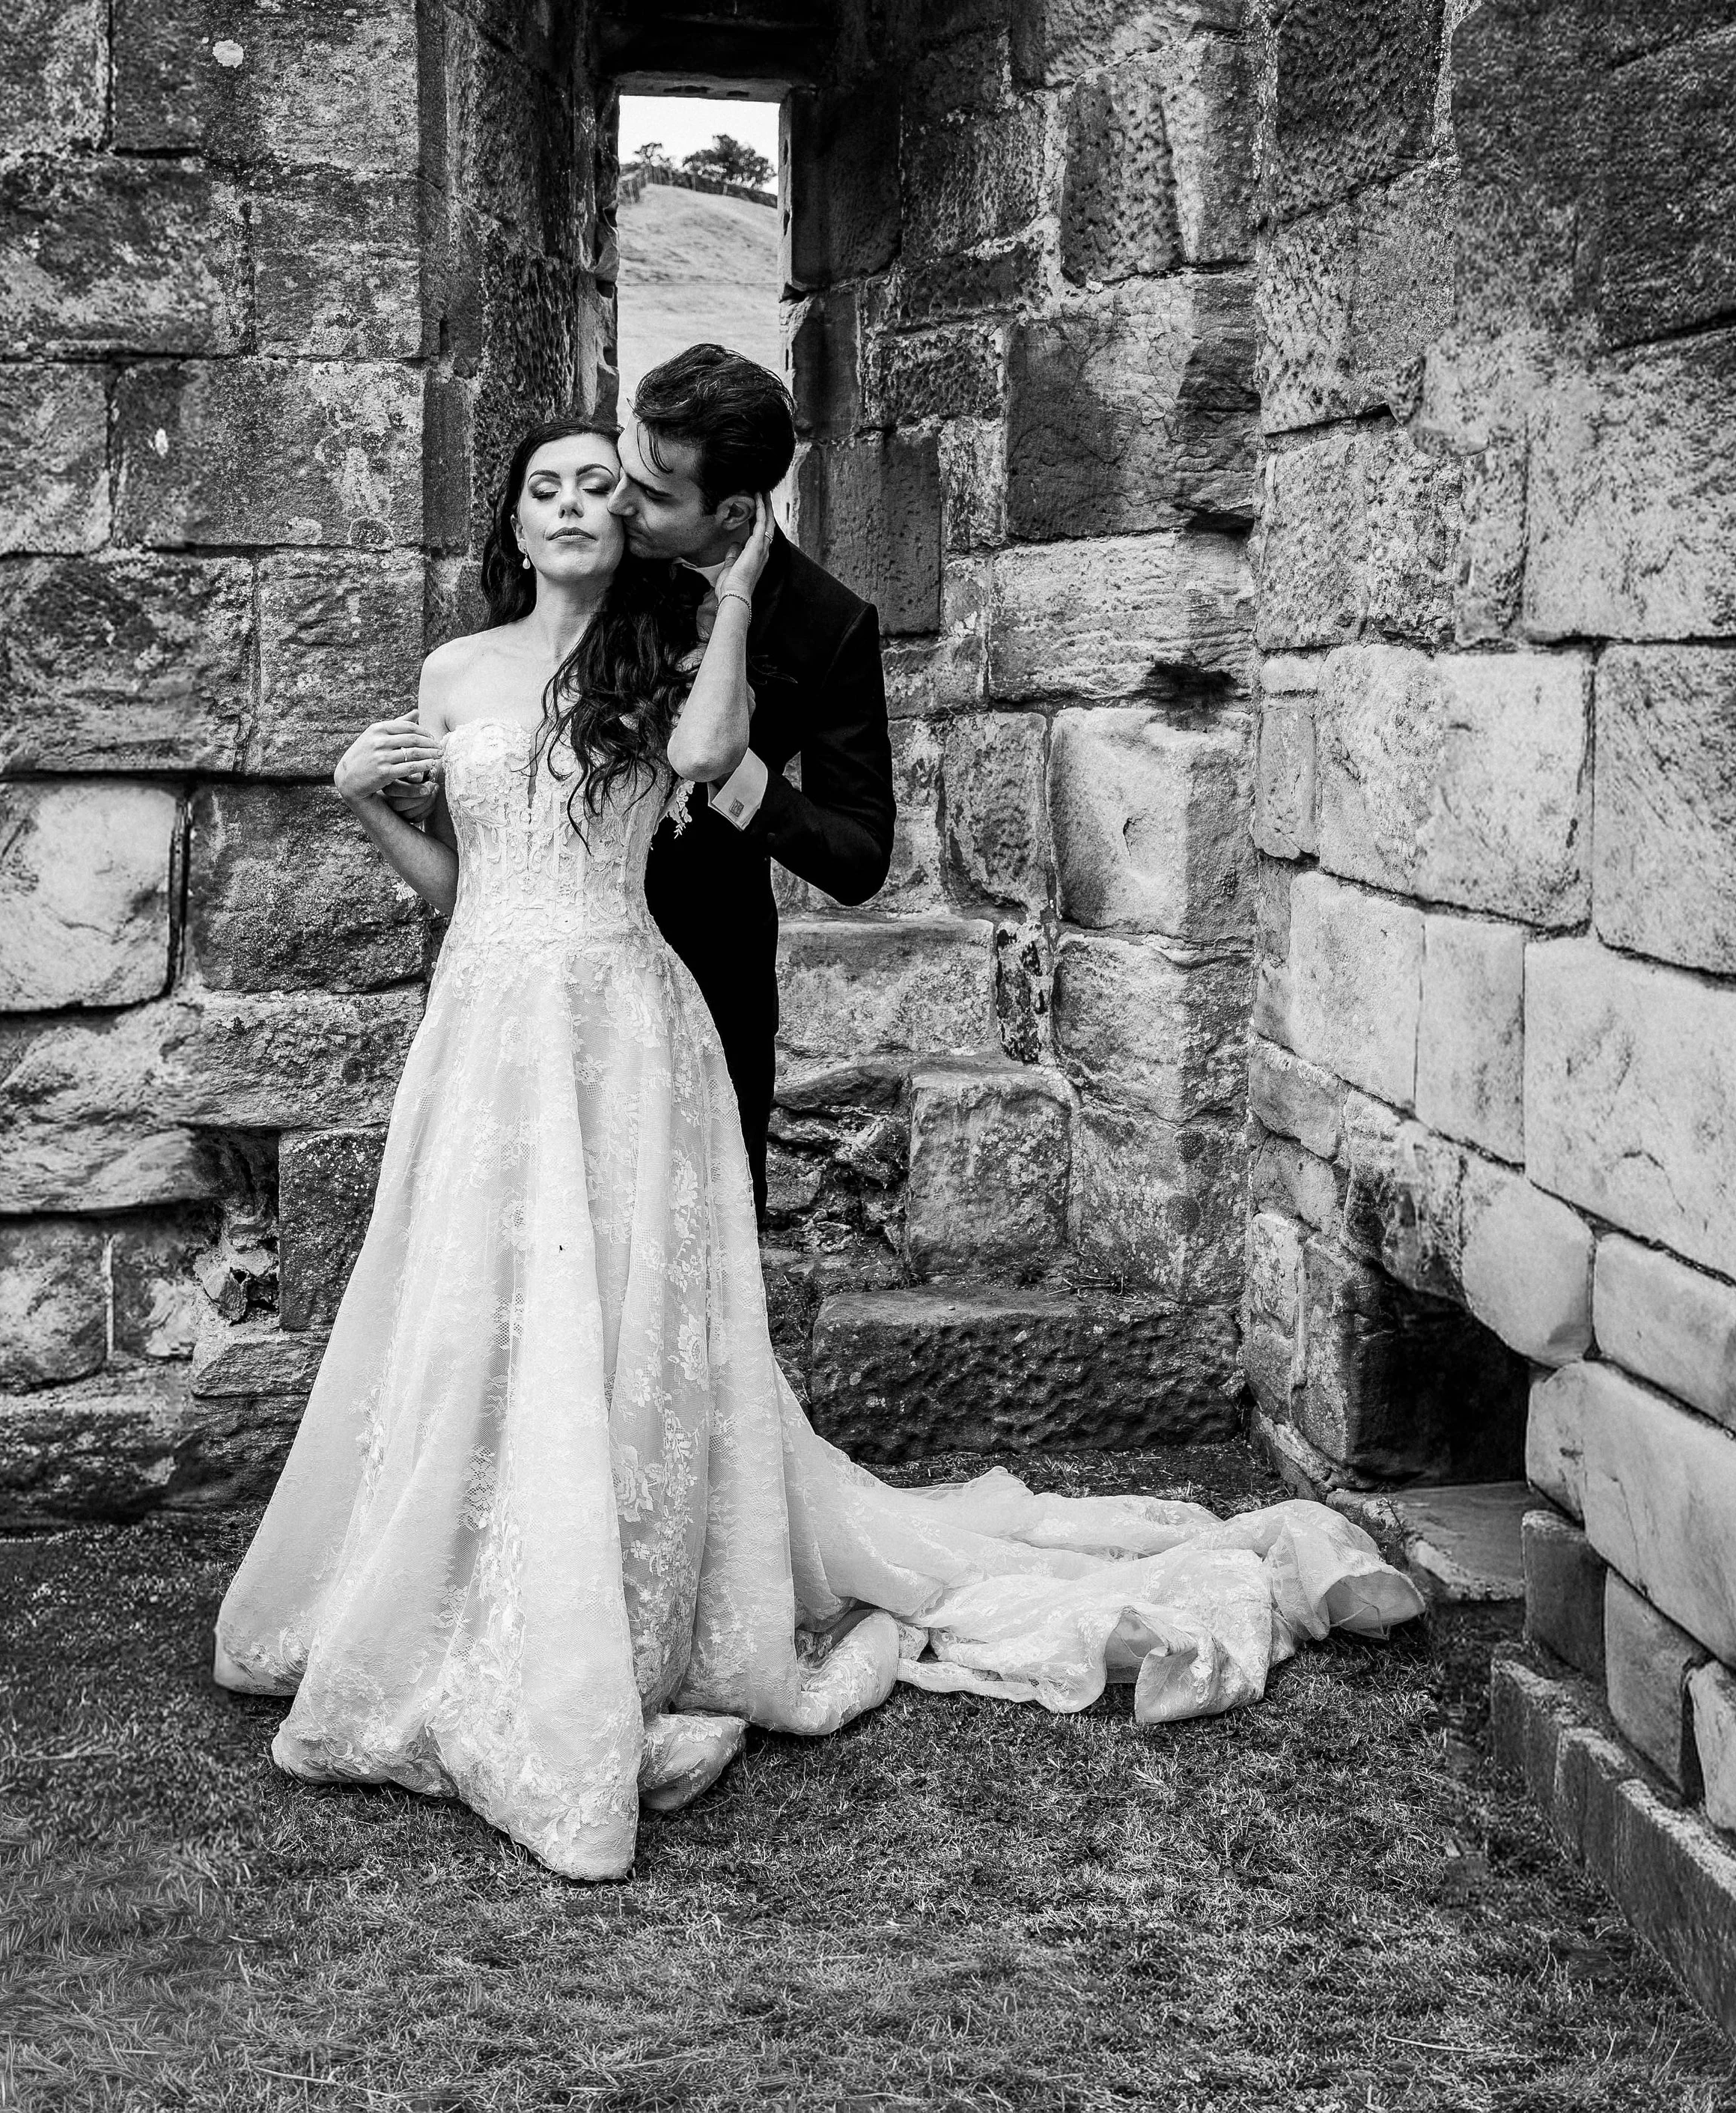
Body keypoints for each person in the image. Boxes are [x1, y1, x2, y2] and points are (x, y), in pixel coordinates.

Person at [214, 407, 1424, 1882]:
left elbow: (715, 752)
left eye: (603, 481)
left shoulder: (658, 652)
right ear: (513, 519)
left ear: (633, 513)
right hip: (484, 1020)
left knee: (621, 1310)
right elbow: (460, 886)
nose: (573, 500)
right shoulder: (454, 670)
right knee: (476, 1307)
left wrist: (724, 593)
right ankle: (462, 1575)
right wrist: (359, 805)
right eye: (545, 484)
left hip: (619, 1009)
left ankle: (619, 1594)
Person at [609, 344, 895, 1223]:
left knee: (710, 1223)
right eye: (624, 471)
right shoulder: (601, 565)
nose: (619, 504)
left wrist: (731, 774)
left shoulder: (828, 625)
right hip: (579, 938)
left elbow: (858, 855)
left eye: (653, 495)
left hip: (714, 965)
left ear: (733, 512)